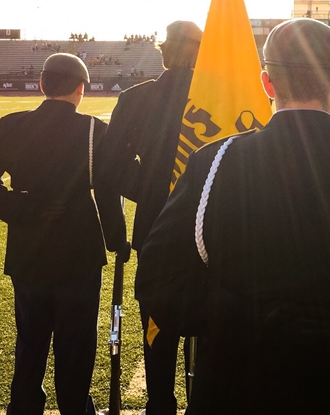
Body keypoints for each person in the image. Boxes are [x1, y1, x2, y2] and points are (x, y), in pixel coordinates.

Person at [136, 18, 330, 415]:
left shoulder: (215, 161)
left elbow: (158, 278)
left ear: (267, 83)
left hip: (236, 385)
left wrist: (233, 327)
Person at [0, 53, 129, 415]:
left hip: (28, 250)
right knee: (77, 344)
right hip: (80, 253)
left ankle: (23, 408)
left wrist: (19, 208)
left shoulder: (14, 125)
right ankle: (74, 408)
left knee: (31, 341)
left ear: (41, 85)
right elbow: (108, 189)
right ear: (81, 89)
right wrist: (117, 240)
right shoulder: (93, 130)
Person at [97, 21, 203, 415]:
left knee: (158, 327)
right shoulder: (220, 98)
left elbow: (109, 168)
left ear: (164, 51)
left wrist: (158, 192)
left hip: (158, 227)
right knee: (213, 326)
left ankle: (160, 404)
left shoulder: (137, 98)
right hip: (218, 225)